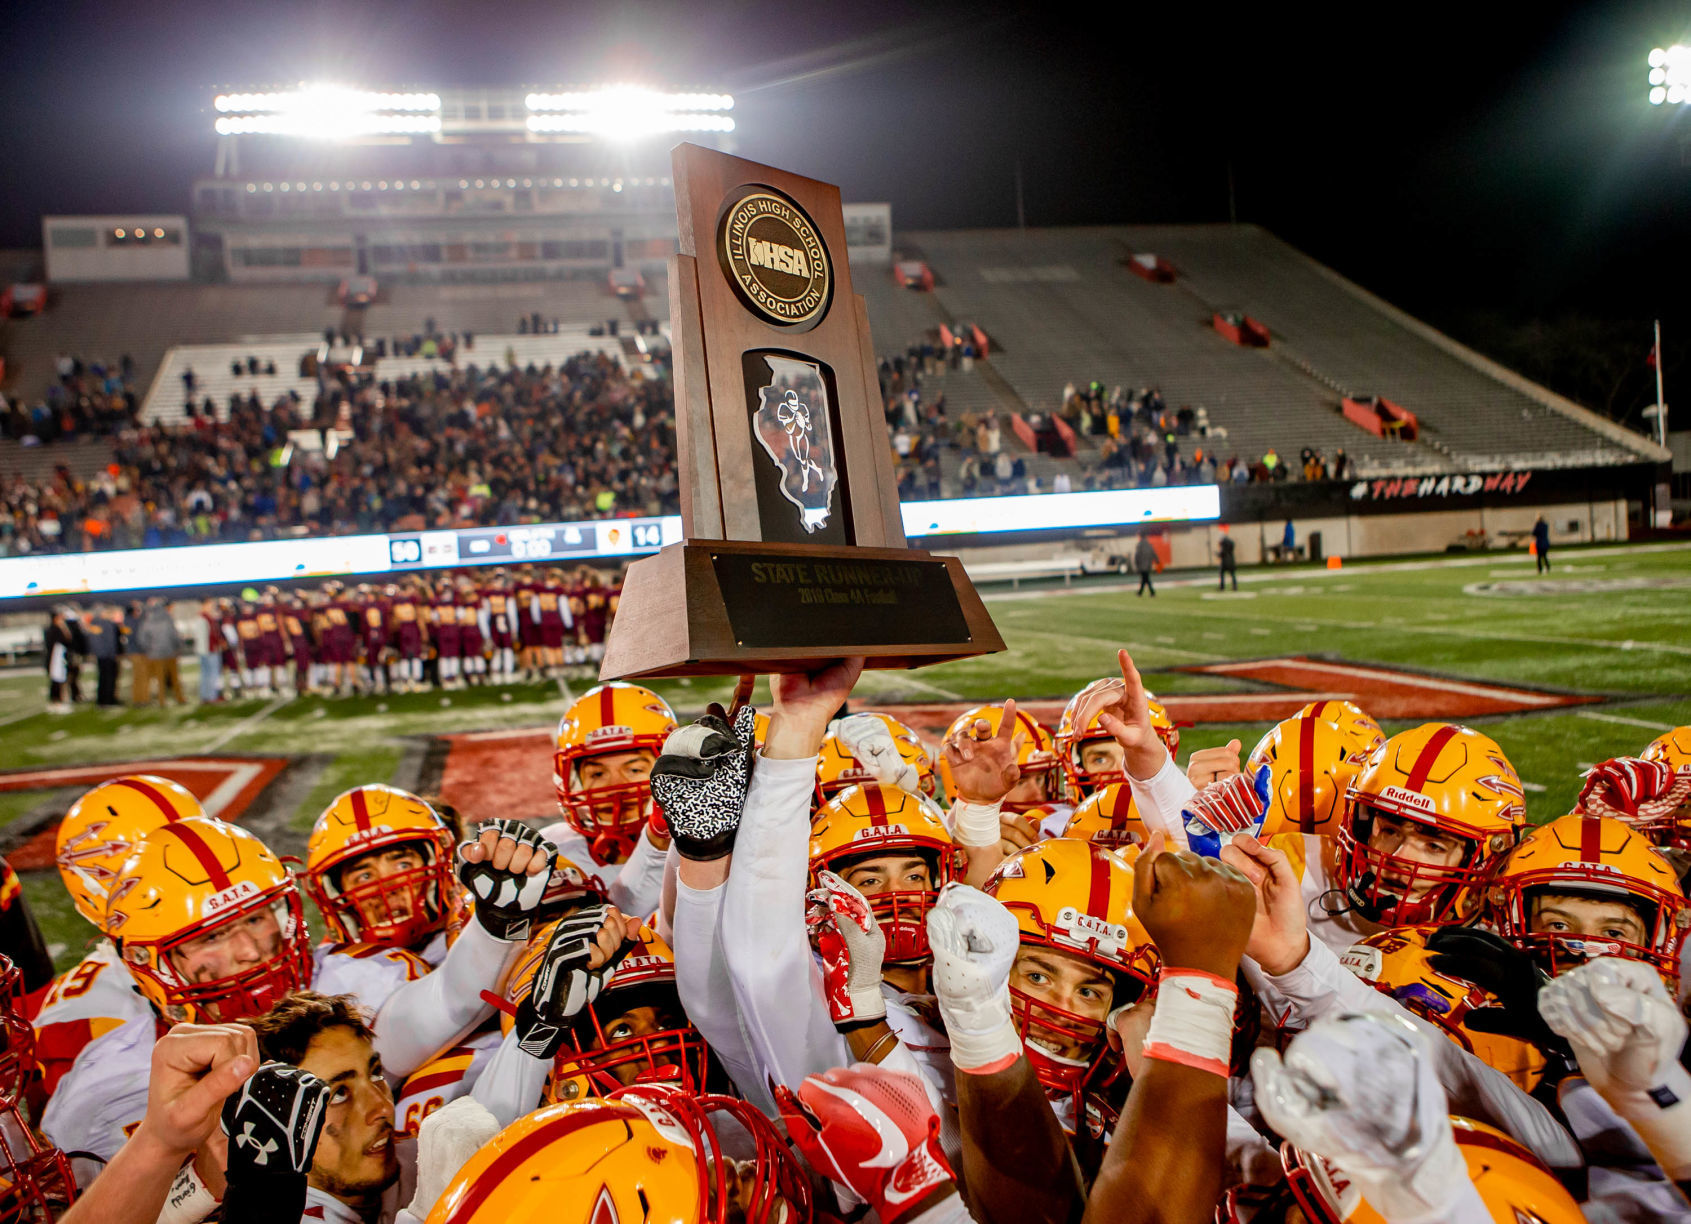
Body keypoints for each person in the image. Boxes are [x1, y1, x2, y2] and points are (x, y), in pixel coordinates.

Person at [84, 604, 121, 707]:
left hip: (100, 655)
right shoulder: (106, 624)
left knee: (102, 677)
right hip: (108, 655)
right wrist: (113, 654)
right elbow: (110, 641)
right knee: (109, 678)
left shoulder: (93, 624)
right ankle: (109, 699)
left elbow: (92, 641)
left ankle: (101, 699)